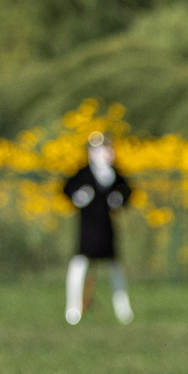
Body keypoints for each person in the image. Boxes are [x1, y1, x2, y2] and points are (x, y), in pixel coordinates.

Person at [62, 133, 134, 325]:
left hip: (107, 228)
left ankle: (123, 309)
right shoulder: (84, 174)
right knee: (79, 264)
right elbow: (66, 189)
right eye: (101, 150)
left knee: (114, 266)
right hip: (87, 228)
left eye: (108, 149)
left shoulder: (115, 175)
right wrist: (78, 197)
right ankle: (73, 309)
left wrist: (120, 199)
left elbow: (128, 191)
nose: (106, 153)